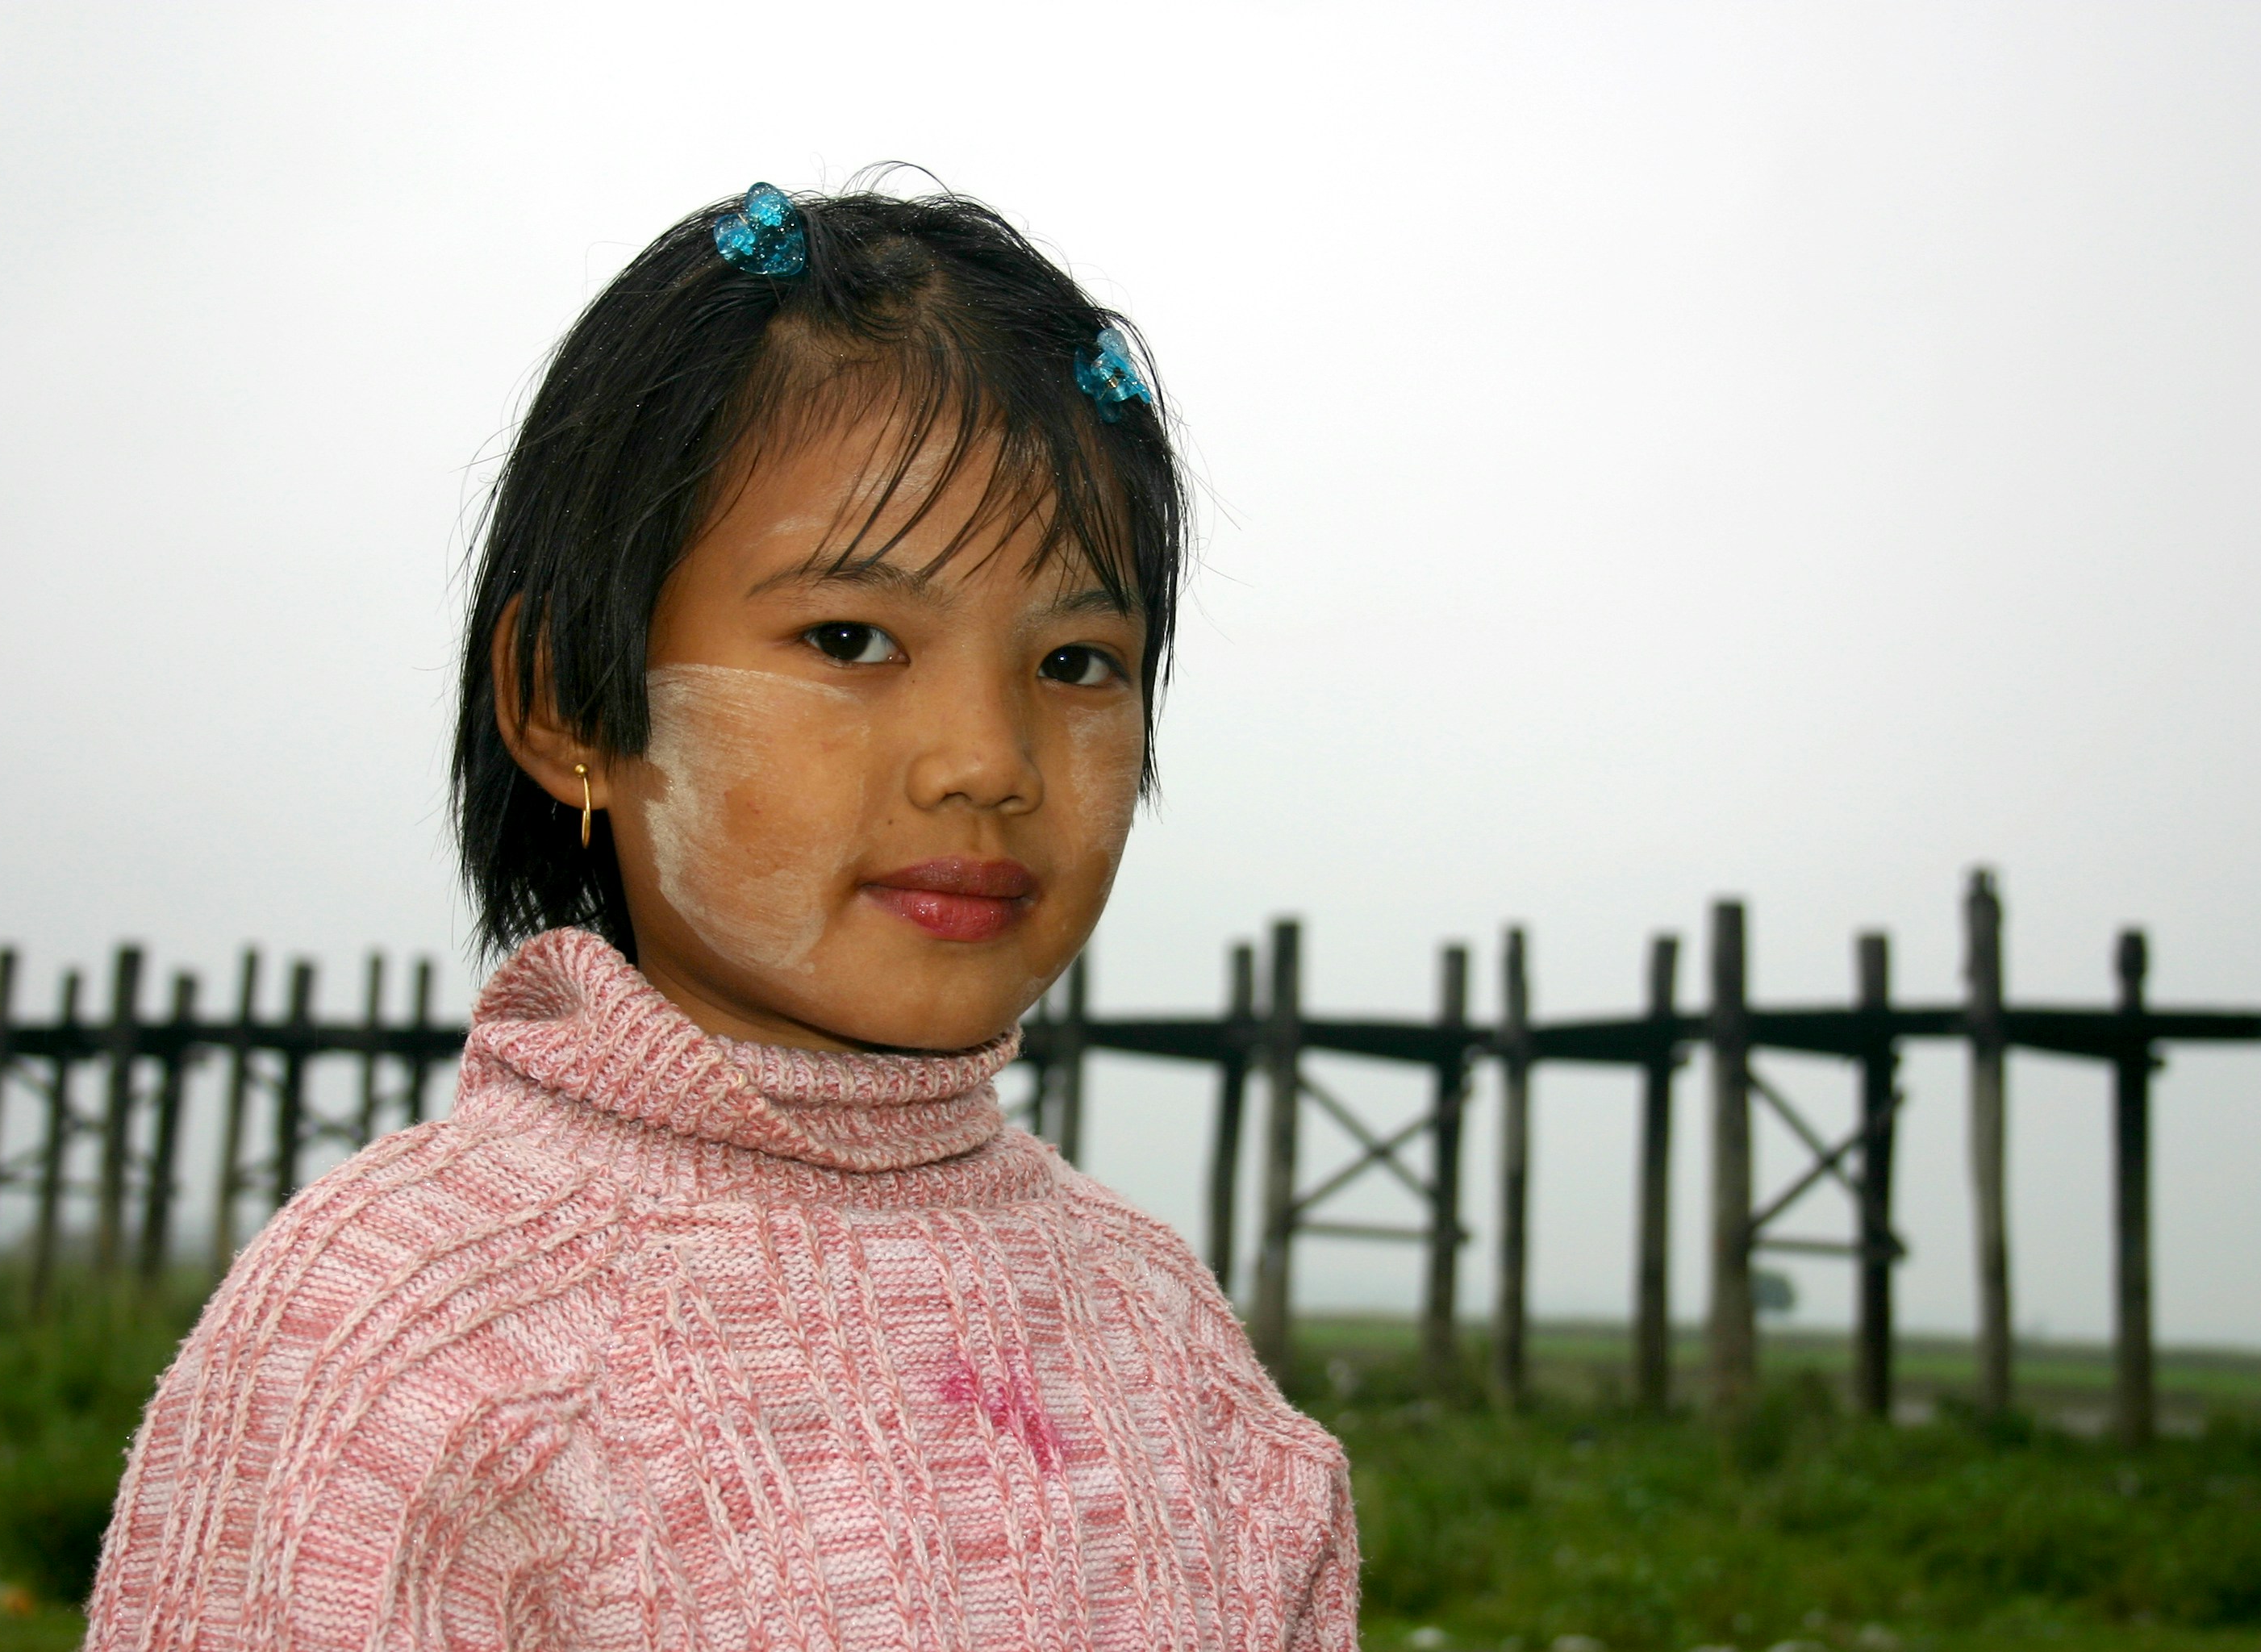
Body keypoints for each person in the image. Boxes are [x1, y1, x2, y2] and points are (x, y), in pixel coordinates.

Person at [85, 179, 1358, 1651]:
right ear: (568, 700)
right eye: (852, 639)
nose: (988, 765)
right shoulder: (401, 1340)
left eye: (1076, 662)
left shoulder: (1167, 1339)